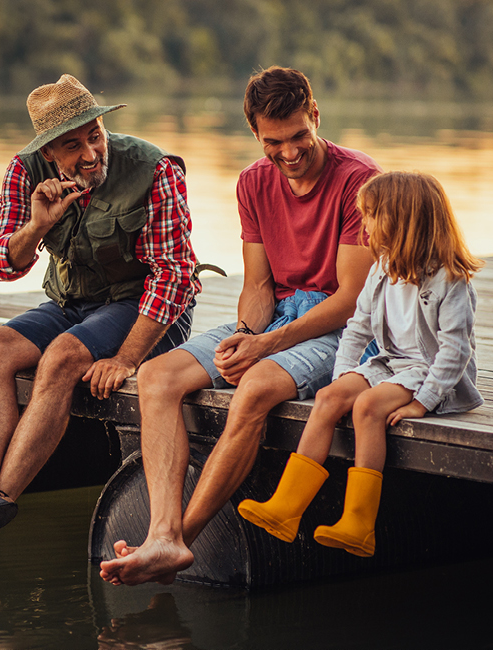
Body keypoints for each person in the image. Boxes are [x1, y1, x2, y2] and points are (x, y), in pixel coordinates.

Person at [98, 67, 383, 585]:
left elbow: (350, 300)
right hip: (276, 316)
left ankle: (179, 539)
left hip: (345, 329)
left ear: (315, 116)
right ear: (255, 132)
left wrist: (267, 346)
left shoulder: (360, 180)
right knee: (156, 377)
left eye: (300, 135)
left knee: (254, 388)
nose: (290, 153)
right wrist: (247, 337)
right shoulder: (253, 181)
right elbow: (258, 285)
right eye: (275, 142)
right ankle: (162, 533)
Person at [0, 74, 198, 561]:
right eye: (73, 146)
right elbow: (3, 263)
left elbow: (174, 278)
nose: (90, 154)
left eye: (96, 135)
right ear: (49, 153)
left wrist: (127, 358)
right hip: (71, 303)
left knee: (63, 356)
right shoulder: (23, 172)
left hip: (145, 308)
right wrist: (37, 224)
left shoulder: (154, 169)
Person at [235, 171, 482, 557]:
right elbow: (357, 329)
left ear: (401, 221)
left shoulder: (450, 280)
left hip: (431, 373)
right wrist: (345, 375)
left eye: (370, 215)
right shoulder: (381, 271)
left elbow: (454, 352)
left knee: (367, 407)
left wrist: (425, 401)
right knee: (330, 400)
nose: (363, 225)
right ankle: (286, 507)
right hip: (390, 364)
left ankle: (358, 523)